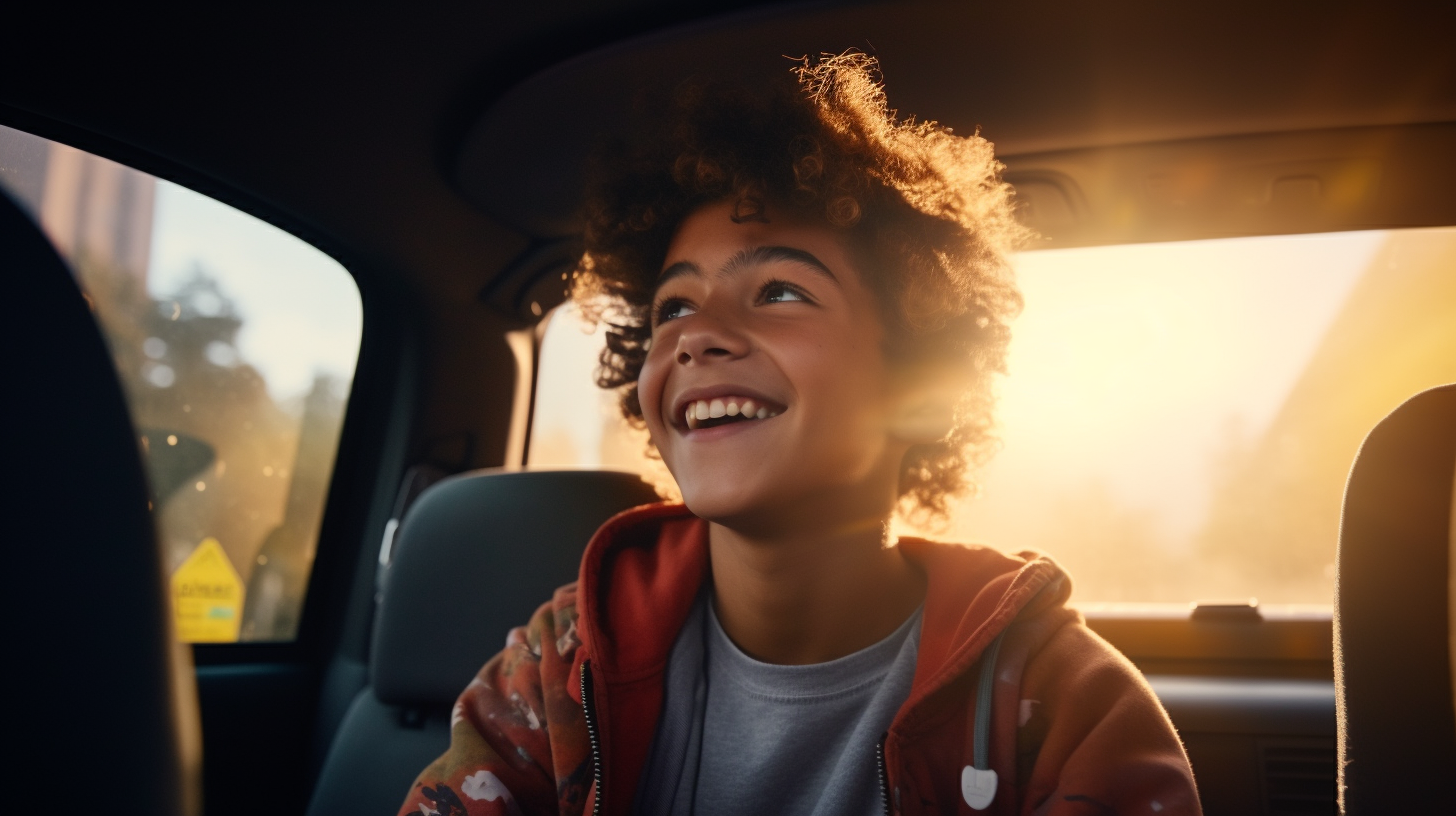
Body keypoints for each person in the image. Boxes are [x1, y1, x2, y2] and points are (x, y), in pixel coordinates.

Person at [398, 53, 1200, 816]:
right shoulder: (564, 661)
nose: (695, 335)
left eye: (779, 290)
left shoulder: (1062, 704)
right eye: (672, 307)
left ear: (923, 389)